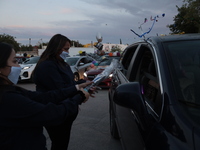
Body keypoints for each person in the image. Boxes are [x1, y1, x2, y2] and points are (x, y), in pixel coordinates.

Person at [0, 42, 91, 150]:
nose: (19, 66)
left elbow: (43, 97)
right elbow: (51, 114)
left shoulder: (11, 90)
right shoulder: (7, 98)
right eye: (14, 61)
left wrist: (76, 88)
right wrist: (78, 97)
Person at [33, 34, 95, 150]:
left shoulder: (62, 63)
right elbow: (60, 90)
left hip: (67, 111)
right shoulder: (47, 66)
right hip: (56, 112)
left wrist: (85, 85)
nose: (67, 52)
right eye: (66, 49)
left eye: (68, 49)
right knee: (59, 144)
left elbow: (69, 83)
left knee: (62, 143)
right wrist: (80, 91)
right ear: (56, 48)